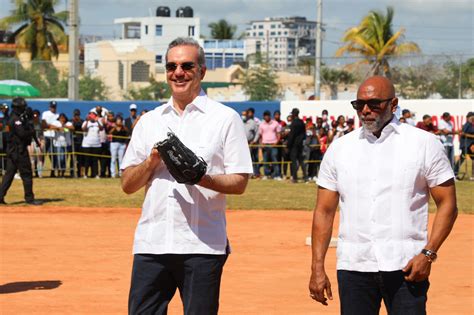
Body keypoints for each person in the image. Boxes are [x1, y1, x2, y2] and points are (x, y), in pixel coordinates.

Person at [121, 37, 253, 315]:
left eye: (186, 65)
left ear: (202, 71)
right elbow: (127, 184)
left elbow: (240, 182)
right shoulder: (149, 121)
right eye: (171, 66)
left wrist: (199, 177)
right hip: (152, 243)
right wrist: (152, 161)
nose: (178, 72)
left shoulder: (225, 118)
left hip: (202, 246)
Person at [308, 76, 457, 314]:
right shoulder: (340, 149)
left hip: (407, 266)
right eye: (359, 105)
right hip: (353, 266)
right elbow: (324, 211)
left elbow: (448, 203)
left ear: (393, 104)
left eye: (374, 103)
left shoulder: (424, 144)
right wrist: (317, 267)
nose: (365, 110)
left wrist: (428, 254)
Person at [0, 98, 42, 205]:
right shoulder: (15, 119)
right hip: (18, 151)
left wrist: (28, 120)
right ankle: (29, 198)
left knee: (9, 175)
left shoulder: (15, 118)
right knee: (26, 174)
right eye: (22, 107)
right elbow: (22, 134)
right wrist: (31, 130)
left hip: (13, 150)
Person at [258, 110, 282, 180]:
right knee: (265, 161)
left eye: (267, 115)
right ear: (263, 116)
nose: (266, 117)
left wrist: (276, 142)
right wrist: (261, 144)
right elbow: (260, 136)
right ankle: (266, 174)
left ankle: (277, 175)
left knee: (275, 160)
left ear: (270, 116)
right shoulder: (262, 124)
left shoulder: (275, 123)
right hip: (265, 145)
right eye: (265, 116)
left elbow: (278, 134)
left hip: (273, 145)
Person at [287, 108, 307, 183]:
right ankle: (305, 177)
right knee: (301, 161)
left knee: (294, 161)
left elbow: (292, 135)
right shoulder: (302, 122)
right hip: (300, 144)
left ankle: (294, 178)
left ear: (293, 114)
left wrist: (288, 145)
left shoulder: (294, 123)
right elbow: (304, 134)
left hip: (294, 145)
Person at [81, 111, 103, 178]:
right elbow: (83, 129)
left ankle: (95, 174)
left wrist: (98, 121)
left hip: (96, 144)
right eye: (90, 115)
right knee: (87, 160)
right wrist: (87, 121)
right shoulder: (86, 122)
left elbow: (101, 128)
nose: (92, 117)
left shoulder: (98, 122)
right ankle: (85, 174)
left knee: (95, 160)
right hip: (87, 145)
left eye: (93, 115)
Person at [454, 112, 474, 180]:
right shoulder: (467, 124)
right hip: (466, 145)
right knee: (461, 160)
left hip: (470, 146)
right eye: (472, 117)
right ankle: (454, 174)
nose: (473, 118)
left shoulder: (471, 124)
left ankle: (472, 176)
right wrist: (472, 136)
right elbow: (463, 133)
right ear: (468, 117)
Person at [41, 101, 59, 177]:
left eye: (54, 107)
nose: (53, 108)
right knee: (42, 155)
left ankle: (53, 172)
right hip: (46, 136)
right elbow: (44, 124)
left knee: (53, 156)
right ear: (49, 107)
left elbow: (59, 126)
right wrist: (54, 127)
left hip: (54, 137)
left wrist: (52, 126)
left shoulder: (58, 115)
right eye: (52, 107)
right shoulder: (45, 113)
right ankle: (39, 172)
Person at [28, 109, 45, 178]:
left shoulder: (40, 124)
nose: (35, 117)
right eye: (34, 115)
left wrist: (42, 142)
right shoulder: (29, 124)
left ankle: (39, 173)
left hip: (38, 141)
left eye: (37, 115)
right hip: (30, 141)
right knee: (31, 158)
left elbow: (41, 134)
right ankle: (31, 173)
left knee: (39, 158)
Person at [244, 107, 260, 178]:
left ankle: (256, 173)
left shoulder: (254, 123)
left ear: (253, 114)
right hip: (244, 144)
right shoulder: (243, 122)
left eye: (250, 113)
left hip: (252, 144)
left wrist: (254, 141)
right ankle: (248, 174)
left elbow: (257, 133)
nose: (248, 114)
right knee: (246, 159)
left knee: (254, 159)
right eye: (248, 113)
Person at [71, 109, 84, 177]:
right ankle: (72, 172)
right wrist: (73, 121)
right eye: (75, 115)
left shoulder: (82, 121)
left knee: (80, 159)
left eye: (77, 115)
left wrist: (78, 120)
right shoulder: (71, 121)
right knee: (72, 158)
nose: (76, 116)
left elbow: (82, 127)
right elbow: (71, 127)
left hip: (80, 141)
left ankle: (79, 172)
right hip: (73, 142)